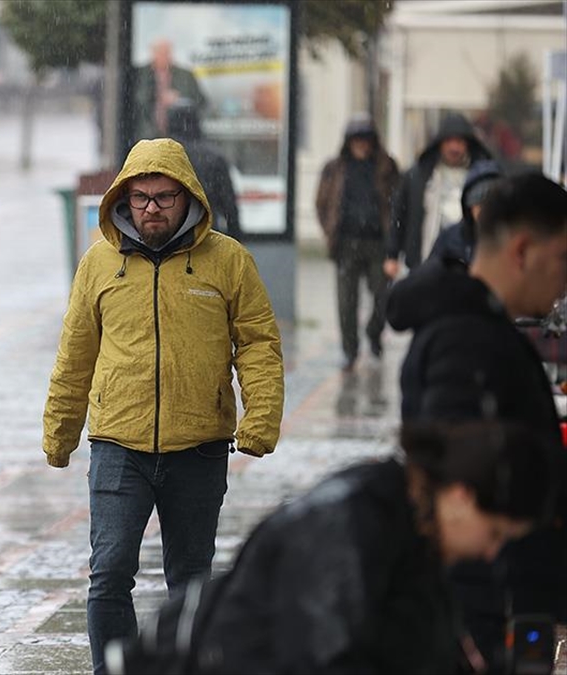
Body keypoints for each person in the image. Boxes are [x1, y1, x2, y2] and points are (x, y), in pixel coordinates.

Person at [43, 137, 285, 675]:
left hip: (198, 446)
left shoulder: (228, 261)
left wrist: (261, 417)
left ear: (189, 198)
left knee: (192, 581)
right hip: (117, 445)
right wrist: (60, 430)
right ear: (123, 200)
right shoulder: (99, 265)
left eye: (164, 197)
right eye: (141, 197)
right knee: (108, 574)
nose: (152, 207)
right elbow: (75, 352)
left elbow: (259, 344)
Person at [106, 420, 560, 675]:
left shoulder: (418, 531)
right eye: (495, 534)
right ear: (462, 497)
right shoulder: (355, 522)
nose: (491, 553)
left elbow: (427, 650)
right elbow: (321, 657)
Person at [386, 172, 567, 672]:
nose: (564, 279)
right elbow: (458, 490)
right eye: (562, 260)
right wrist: (481, 631)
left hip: (517, 597)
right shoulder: (464, 340)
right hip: (486, 605)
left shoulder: (486, 328)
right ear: (523, 250)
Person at [315, 115, 400, 371]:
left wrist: (394, 243)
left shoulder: (386, 167)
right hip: (346, 243)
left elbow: (399, 203)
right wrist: (330, 230)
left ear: (374, 141)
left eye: (366, 139)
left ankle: (374, 333)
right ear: (348, 141)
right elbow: (321, 202)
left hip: (378, 244)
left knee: (383, 297)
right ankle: (349, 351)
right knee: (346, 302)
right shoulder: (334, 167)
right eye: (357, 139)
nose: (362, 144)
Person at [385, 112, 492, 277]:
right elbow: (399, 214)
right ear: (440, 143)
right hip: (424, 260)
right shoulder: (418, 177)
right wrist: (392, 254)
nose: (454, 148)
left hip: (471, 264)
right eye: (449, 141)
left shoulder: (483, 179)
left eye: (459, 141)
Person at [165, 105, 242, 239]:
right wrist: (235, 240)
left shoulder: (162, 154)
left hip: (167, 234)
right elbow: (229, 205)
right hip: (206, 233)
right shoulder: (213, 157)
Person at [426, 159, 503, 265]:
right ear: (469, 207)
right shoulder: (449, 239)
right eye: (479, 204)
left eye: (491, 203)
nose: (485, 210)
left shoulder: (514, 240)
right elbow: (429, 276)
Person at [132, 39, 208, 143]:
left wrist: (179, 100)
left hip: (179, 137)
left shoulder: (185, 75)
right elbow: (134, 101)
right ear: (152, 53)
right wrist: (156, 96)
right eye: (160, 52)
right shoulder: (139, 74)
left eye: (167, 52)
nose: (164, 56)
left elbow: (201, 102)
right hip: (146, 137)